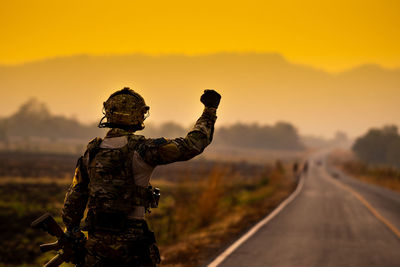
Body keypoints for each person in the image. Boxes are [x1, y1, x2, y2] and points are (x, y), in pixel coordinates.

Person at [62, 87, 221, 266]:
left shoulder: (92, 152)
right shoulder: (144, 150)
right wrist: (209, 111)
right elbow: (192, 145)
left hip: (95, 247)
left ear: (108, 112)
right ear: (138, 115)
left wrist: (72, 230)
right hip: (132, 249)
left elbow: (74, 198)